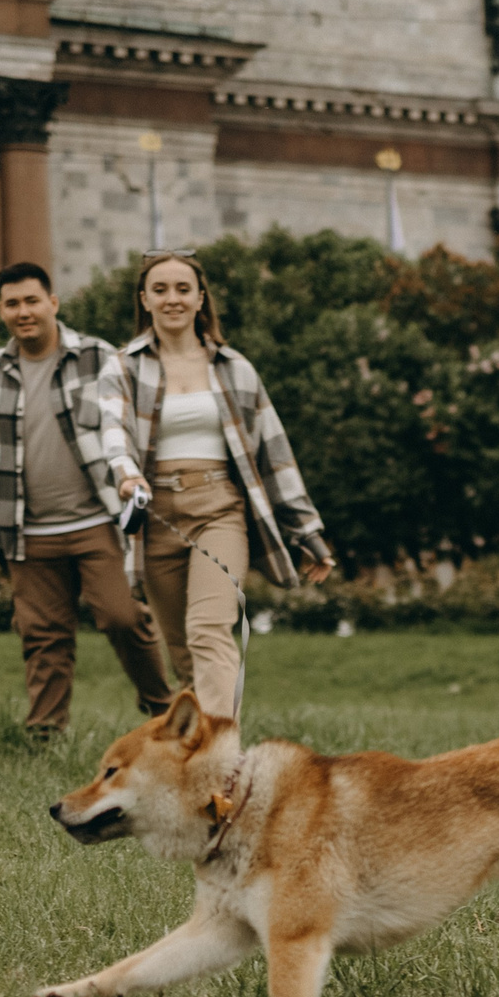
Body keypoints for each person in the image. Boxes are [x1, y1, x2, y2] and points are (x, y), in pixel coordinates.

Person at [104, 251, 335, 719]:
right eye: (161, 290)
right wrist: (125, 473)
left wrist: (305, 530)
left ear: (200, 298)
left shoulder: (234, 368)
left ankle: (223, 755)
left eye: (183, 289)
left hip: (219, 511)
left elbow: (275, 453)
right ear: (144, 300)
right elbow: (112, 431)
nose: (173, 299)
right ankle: (197, 762)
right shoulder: (122, 367)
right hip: (157, 513)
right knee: (184, 654)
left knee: (209, 628)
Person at [0, 262, 171, 740]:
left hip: (97, 521)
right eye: (12, 304)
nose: (23, 312)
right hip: (26, 531)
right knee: (42, 634)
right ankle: (45, 732)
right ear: (1, 311)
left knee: (123, 616)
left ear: (53, 303)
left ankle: (165, 713)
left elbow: (132, 428)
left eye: (32, 301)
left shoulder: (97, 358)